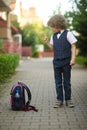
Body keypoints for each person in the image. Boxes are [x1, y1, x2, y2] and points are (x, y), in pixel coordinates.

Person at [44, 14, 77, 108]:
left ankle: (68, 100)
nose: (51, 29)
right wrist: (47, 42)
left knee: (66, 82)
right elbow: (52, 48)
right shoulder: (53, 36)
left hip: (66, 62)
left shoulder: (68, 33)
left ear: (58, 25)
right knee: (58, 82)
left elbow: (74, 45)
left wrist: (73, 58)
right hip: (56, 62)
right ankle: (59, 100)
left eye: (52, 27)